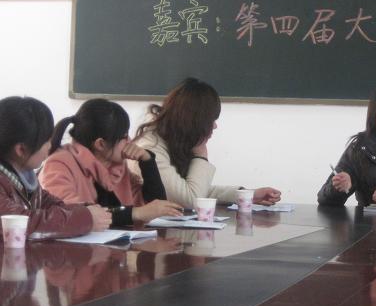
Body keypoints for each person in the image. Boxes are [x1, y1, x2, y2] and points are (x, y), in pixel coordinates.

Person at [133, 78, 281, 207]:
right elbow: (190, 199)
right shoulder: (151, 148)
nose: (215, 126)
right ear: (195, 121)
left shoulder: (172, 139)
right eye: (211, 120)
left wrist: (246, 195)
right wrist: (201, 156)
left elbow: (195, 190)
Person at [40, 99, 182, 225]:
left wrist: (147, 161)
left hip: (114, 244)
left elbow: (154, 207)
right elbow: (70, 214)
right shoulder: (58, 164)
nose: (130, 141)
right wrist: (136, 213)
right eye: (124, 137)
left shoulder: (116, 167)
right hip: (71, 247)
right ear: (100, 144)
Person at [0, 96, 110, 238]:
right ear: (21, 150)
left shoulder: (24, 177)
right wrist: (85, 218)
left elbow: (52, 205)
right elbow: (22, 224)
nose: (50, 146)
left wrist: (86, 210)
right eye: (46, 141)